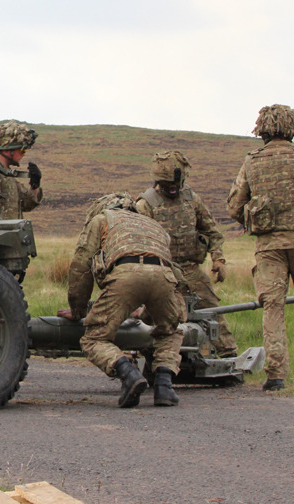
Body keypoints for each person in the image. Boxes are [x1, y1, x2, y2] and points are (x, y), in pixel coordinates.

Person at [62, 192, 184, 408]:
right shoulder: (153, 225)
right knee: (169, 332)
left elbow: (81, 266)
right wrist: (146, 312)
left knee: (94, 339)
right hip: (164, 276)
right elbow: (167, 272)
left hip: (125, 274)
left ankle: (128, 373)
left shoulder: (102, 220)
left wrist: (78, 309)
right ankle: (164, 386)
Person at [135, 151, 237, 358]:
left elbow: (211, 231)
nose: (173, 188)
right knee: (151, 320)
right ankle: (144, 355)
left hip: (192, 272)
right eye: (168, 185)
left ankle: (228, 357)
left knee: (211, 313)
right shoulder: (145, 205)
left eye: (177, 184)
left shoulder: (192, 200)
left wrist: (218, 259)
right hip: (162, 274)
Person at [226, 103, 294, 392]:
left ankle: (276, 376)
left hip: (269, 247)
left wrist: (255, 219)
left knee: (273, 309)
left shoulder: (252, 162)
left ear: (262, 129)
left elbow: (234, 206)